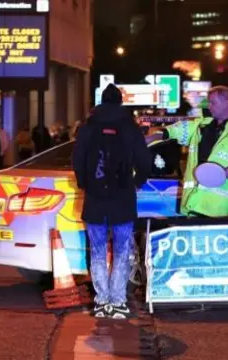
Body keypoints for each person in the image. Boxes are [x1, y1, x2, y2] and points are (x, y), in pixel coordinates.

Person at [73, 84, 151, 319]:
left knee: (97, 252)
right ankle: (118, 301)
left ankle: (101, 302)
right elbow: (144, 160)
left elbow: (77, 160)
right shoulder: (130, 128)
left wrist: (85, 184)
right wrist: (137, 182)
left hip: (95, 200)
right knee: (121, 250)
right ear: (120, 102)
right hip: (123, 199)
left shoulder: (88, 128)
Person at [146, 86, 228, 217]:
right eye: (208, 102)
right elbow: (178, 130)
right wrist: (154, 136)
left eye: (213, 102)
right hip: (193, 204)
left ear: (226, 102)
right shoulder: (202, 125)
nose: (209, 106)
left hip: (220, 210)